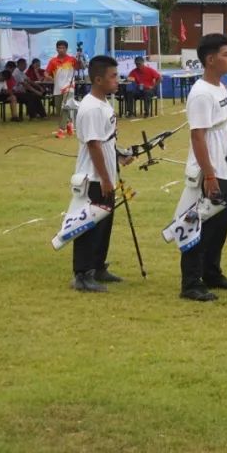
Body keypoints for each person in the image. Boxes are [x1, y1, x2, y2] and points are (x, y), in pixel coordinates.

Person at [179, 33, 227, 302]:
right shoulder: (201, 93)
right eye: (225, 55)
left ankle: (212, 272)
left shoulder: (221, 88)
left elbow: (226, 124)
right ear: (210, 59)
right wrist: (208, 174)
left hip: (225, 167)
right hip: (209, 170)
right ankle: (191, 282)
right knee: (201, 224)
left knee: (220, 225)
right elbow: (198, 136)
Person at [70, 55, 133, 292]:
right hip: (94, 178)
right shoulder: (90, 108)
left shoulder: (105, 103)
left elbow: (106, 140)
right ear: (98, 79)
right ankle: (82, 274)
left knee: (104, 224)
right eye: (113, 76)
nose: (118, 80)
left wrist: (119, 155)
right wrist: (106, 178)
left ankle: (97, 266)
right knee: (89, 226)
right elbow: (93, 145)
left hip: (106, 176)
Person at [45, 40, 79, 138]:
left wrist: (79, 58)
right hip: (58, 88)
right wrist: (49, 77)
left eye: (63, 48)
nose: (61, 50)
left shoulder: (72, 59)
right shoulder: (53, 61)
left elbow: (79, 67)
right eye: (59, 48)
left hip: (69, 87)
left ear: (66, 49)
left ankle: (61, 130)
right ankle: (69, 124)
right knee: (59, 109)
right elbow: (46, 72)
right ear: (56, 49)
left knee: (64, 106)